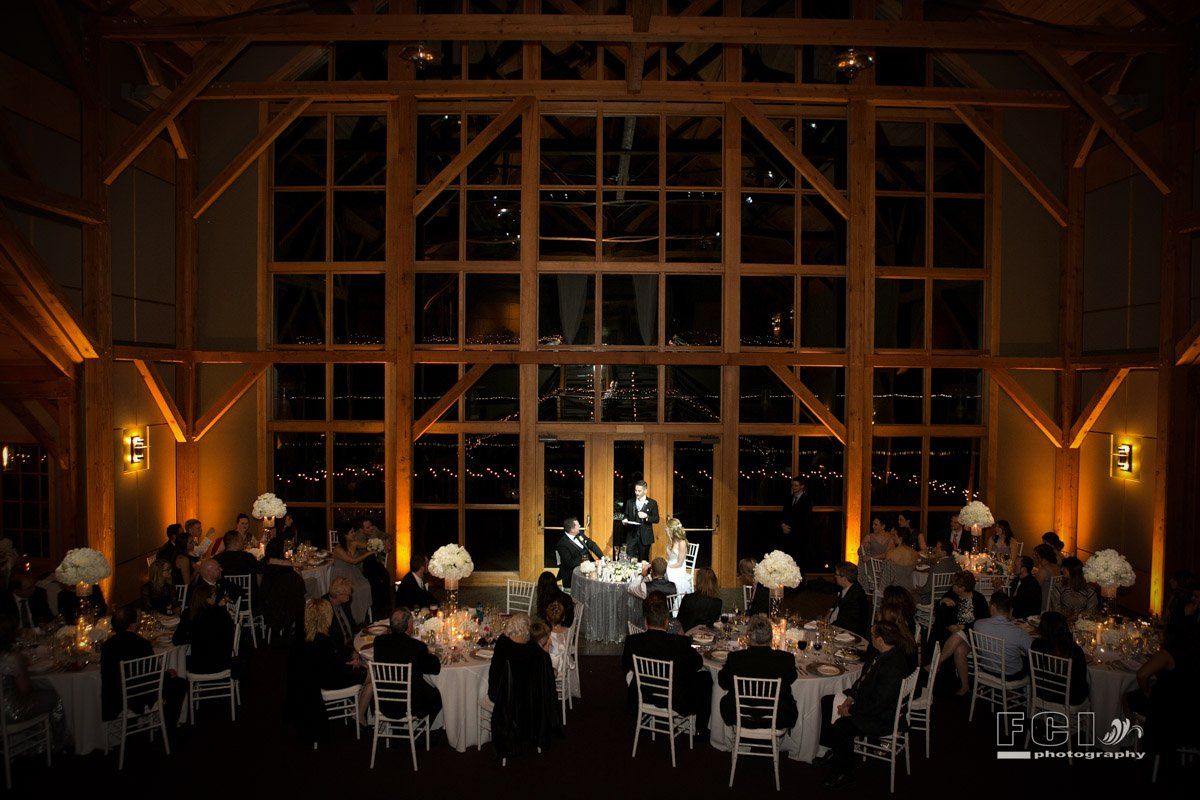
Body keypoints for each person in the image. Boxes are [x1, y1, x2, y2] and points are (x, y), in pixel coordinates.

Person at [816, 621, 912, 789]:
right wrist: (851, 697)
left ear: (881, 640)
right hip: (870, 703)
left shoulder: (893, 667)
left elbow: (878, 703)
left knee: (842, 727)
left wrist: (850, 710)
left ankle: (843, 773)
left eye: (873, 635)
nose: (871, 638)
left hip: (881, 718)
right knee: (826, 701)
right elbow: (864, 679)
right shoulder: (882, 653)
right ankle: (832, 749)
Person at [621, 592, 711, 735]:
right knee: (706, 678)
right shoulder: (680, 643)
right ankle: (701, 729)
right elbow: (698, 663)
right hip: (676, 699)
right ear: (666, 622)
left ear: (646, 622)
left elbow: (625, 667)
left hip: (644, 695)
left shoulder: (633, 642)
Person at [286, 598, 365, 745]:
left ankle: (360, 713)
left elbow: (328, 663)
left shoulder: (305, 637)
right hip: (328, 681)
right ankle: (361, 715)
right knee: (368, 675)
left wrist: (345, 663)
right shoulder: (322, 640)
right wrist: (352, 666)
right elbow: (333, 670)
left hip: (313, 681)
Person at [100, 606, 186, 738]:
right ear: (132, 625)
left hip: (114, 698)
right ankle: (169, 729)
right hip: (138, 696)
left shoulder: (106, 647)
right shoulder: (142, 644)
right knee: (179, 683)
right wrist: (168, 674)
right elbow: (153, 676)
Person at [487, 612, 562, 759]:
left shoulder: (502, 642)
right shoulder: (531, 651)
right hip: (522, 701)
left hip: (498, 693)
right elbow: (546, 677)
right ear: (525, 631)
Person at [717, 613, 799, 731]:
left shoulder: (736, 658)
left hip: (741, 716)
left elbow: (723, 682)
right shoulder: (786, 659)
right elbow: (792, 678)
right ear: (771, 637)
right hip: (777, 717)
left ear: (748, 637)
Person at [0, 615, 67, 749]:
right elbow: (25, 689)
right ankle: (57, 743)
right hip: (12, 711)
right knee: (57, 697)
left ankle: (37, 740)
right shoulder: (12, 658)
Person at [372, 608, 442, 721]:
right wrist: (432, 654)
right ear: (409, 626)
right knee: (439, 694)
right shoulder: (417, 646)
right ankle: (423, 731)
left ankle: (398, 728)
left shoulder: (379, 642)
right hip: (411, 705)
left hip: (385, 701)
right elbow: (435, 668)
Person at [932, 571, 990, 695]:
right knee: (959, 650)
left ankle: (937, 663)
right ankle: (965, 686)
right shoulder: (952, 595)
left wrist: (964, 626)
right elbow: (937, 609)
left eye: (956, 585)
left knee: (958, 634)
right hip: (958, 635)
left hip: (974, 635)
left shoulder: (979, 599)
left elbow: (983, 621)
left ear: (963, 588)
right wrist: (942, 601)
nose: (953, 587)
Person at [172, 582, 235, 676]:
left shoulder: (190, 614)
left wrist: (191, 636)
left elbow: (177, 640)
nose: (216, 597)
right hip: (224, 662)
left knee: (178, 663)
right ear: (206, 599)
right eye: (214, 595)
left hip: (201, 666)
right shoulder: (220, 613)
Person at [1030, 611, 1089, 706]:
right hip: (1069, 698)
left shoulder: (1036, 644)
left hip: (1043, 692)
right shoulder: (1074, 650)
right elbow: (1081, 679)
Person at [971, 591, 1031, 679]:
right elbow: (1032, 650)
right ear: (1010, 610)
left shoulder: (978, 625)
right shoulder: (1017, 632)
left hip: (986, 668)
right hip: (1010, 675)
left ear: (992, 607)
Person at [259, 535, 307, 643]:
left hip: (267, 604)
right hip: (284, 607)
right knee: (299, 599)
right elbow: (301, 587)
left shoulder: (263, 564)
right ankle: (298, 632)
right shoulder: (288, 570)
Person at [329, 527, 374, 624]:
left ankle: (363, 615)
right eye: (351, 532)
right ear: (345, 535)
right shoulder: (338, 549)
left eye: (354, 531)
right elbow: (353, 561)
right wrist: (368, 553)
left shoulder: (354, 543)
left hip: (352, 572)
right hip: (341, 574)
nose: (354, 534)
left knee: (365, 586)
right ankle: (351, 617)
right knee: (355, 590)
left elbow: (369, 545)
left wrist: (378, 545)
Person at [554, 517, 603, 589]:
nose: (580, 526)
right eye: (578, 525)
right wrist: (591, 564)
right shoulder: (562, 544)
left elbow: (591, 544)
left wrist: (602, 557)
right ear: (572, 529)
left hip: (589, 568)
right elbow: (570, 563)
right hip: (575, 574)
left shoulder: (580, 534)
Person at [620, 479, 660, 562]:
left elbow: (656, 519)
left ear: (645, 491)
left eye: (639, 491)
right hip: (632, 536)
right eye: (635, 490)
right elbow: (626, 515)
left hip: (645, 537)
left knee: (643, 562)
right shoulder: (630, 502)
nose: (636, 493)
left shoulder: (652, 503)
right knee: (629, 559)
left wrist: (647, 516)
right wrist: (625, 520)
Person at [829, 561, 871, 638]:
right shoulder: (849, 587)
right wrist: (829, 613)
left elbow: (845, 623)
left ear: (844, 579)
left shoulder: (854, 597)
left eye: (837, 574)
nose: (835, 576)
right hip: (841, 627)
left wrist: (827, 627)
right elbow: (837, 605)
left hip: (849, 635)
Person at [780, 476, 813, 568]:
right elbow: (783, 515)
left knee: (799, 563)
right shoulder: (788, 499)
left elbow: (805, 519)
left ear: (802, 486)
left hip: (800, 537)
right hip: (787, 537)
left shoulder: (807, 500)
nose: (793, 487)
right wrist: (783, 525)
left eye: (796, 485)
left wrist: (791, 529)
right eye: (792, 485)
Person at [678, 568, 722, 632]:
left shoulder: (687, 598)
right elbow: (712, 625)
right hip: (708, 637)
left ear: (698, 581)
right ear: (714, 582)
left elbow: (679, 620)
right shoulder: (717, 603)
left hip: (687, 636)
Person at [323, 575, 361, 652]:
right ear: (338, 595)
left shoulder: (344, 602)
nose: (349, 597)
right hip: (338, 649)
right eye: (347, 594)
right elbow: (331, 638)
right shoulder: (324, 607)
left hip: (352, 643)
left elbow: (351, 622)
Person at [663, 517, 693, 595]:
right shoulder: (671, 540)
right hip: (671, 565)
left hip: (678, 568)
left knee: (664, 573)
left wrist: (668, 566)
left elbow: (679, 563)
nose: (665, 529)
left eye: (667, 527)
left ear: (671, 530)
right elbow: (670, 558)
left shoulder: (682, 543)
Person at [544, 601, 570, 676]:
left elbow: (545, 655)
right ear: (563, 618)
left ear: (547, 618)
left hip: (555, 667)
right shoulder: (568, 631)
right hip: (566, 663)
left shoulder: (549, 636)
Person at [1033, 543, 1061, 613]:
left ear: (1040, 556)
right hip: (1054, 601)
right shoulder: (1057, 567)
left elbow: (1034, 590)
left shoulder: (1043, 571)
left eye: (1035, 555)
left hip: (1043, 602)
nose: (1033, 557)